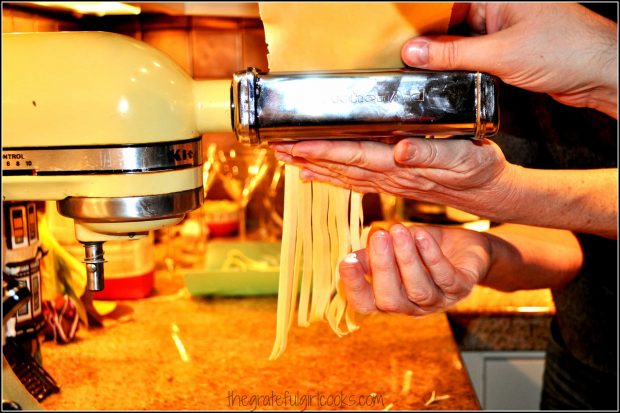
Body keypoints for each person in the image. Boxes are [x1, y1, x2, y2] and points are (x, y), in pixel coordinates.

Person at [271, 3, 618, 410]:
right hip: (583, 363)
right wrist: (485, 252)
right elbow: (574, 239)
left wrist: (603, 58)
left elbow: (530, 191)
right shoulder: (474, 31)